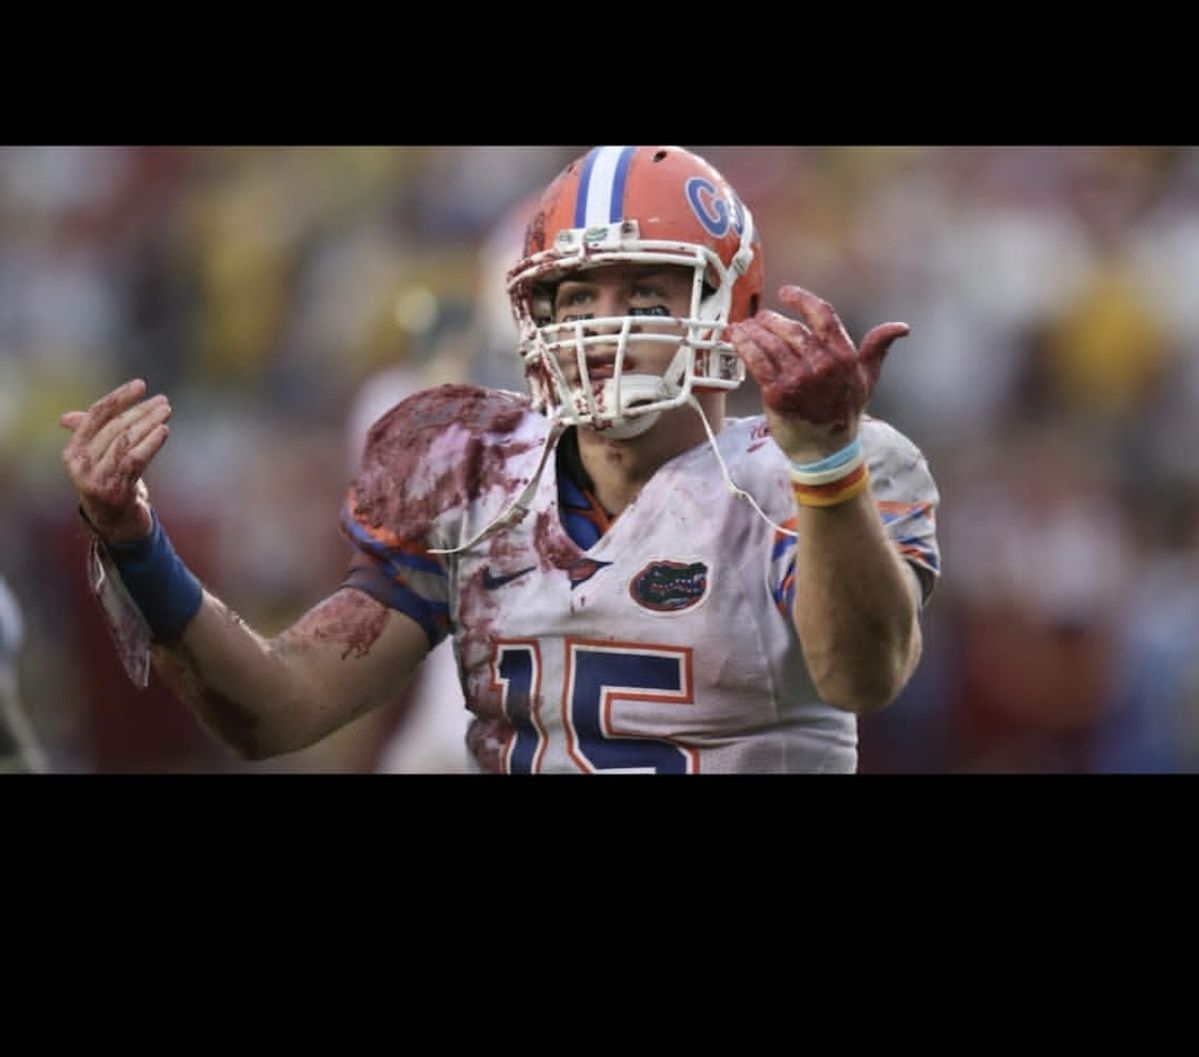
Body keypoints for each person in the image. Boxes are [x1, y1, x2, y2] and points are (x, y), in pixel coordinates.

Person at [59, 145, 941, 774]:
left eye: (644, 293)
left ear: (724, 309)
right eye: (576, 296)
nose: (602, 324)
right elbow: (277, 707)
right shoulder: (476, 478)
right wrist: (136, 542)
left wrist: (827, 468)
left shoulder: (805, 472)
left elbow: (862, 676)